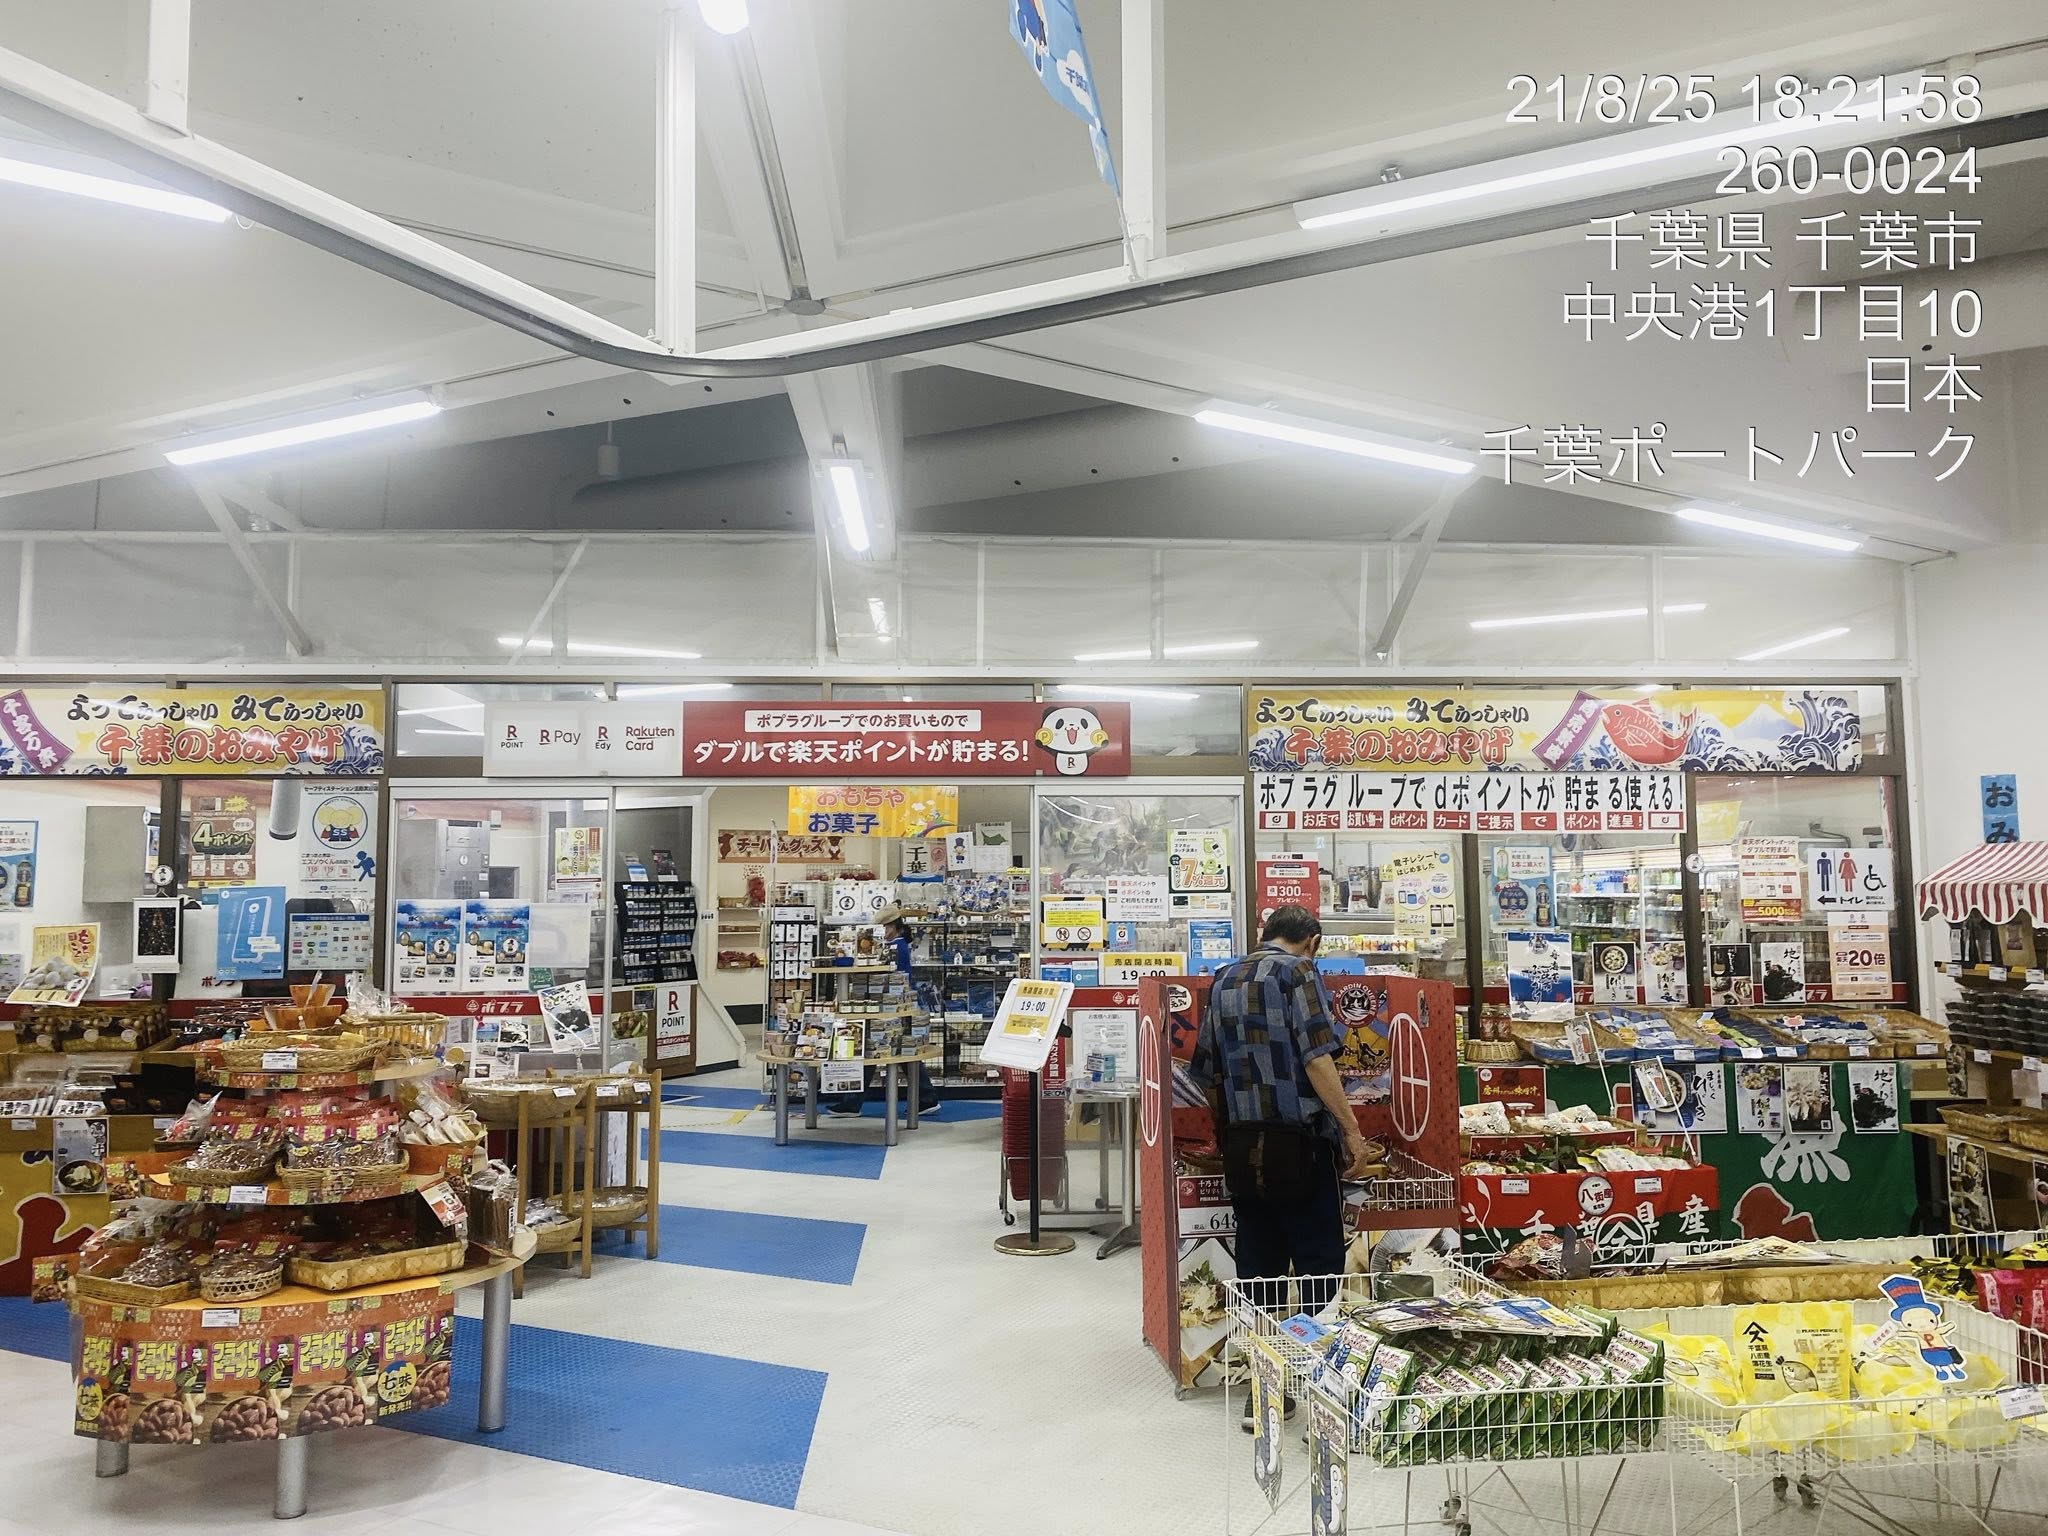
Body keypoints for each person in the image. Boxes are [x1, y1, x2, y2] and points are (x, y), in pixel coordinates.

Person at [1188, 905, 1373, 1428]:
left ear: (1265, 934)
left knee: (1259, 1270)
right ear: (1312, 940)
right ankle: (1319, 1389)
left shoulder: (1224, 978)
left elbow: (1207, 1071)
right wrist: (1352, 1131)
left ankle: (1263, 1394)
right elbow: (1317, 1059)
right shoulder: (1299, 973)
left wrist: (1231, 1127)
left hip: (1245, 1148)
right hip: (1300, 1145)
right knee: (1318, 1267)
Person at [824, 913, 941, 1118]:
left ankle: (853, 1102)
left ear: (892, 927)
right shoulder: (899, 945)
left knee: (873, 1049)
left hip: (889, 1005)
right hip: (894, 1004)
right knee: (900, 1051)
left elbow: (887, 973)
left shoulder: (895, 947)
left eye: (883, 927)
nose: (882, 932)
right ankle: (925, 1098)